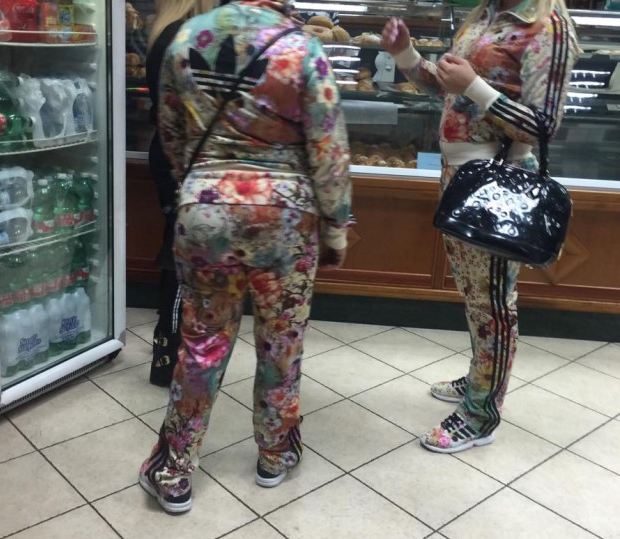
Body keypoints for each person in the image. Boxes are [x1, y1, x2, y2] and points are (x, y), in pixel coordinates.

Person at [139, 0, 352, 513]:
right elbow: (328, 148)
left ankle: (174, 469)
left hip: (206, 210)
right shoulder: (303, 47)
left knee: (202, 342)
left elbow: (170, 133)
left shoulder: (186, 38)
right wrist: (336, 226)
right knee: (282, 341)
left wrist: (204, 186)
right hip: (286, 216)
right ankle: (275, 454)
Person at [382, 0, 578, 453]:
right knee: (476, 296)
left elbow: (544, 127)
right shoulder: (487, 13)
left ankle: (481, 413)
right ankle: (479, 379)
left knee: (492, 303)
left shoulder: (547, 24)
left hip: (497, 183)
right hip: (462, 178)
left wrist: (475, 86)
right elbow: (447, 88)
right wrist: (406, 53)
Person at [146, 0, 212, 387]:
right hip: (181, 158)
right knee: (179, 260)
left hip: (171, 153)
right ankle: (166, 358)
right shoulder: (184, 37)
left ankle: (169, 343)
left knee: (177, 253)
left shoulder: (166, 32)